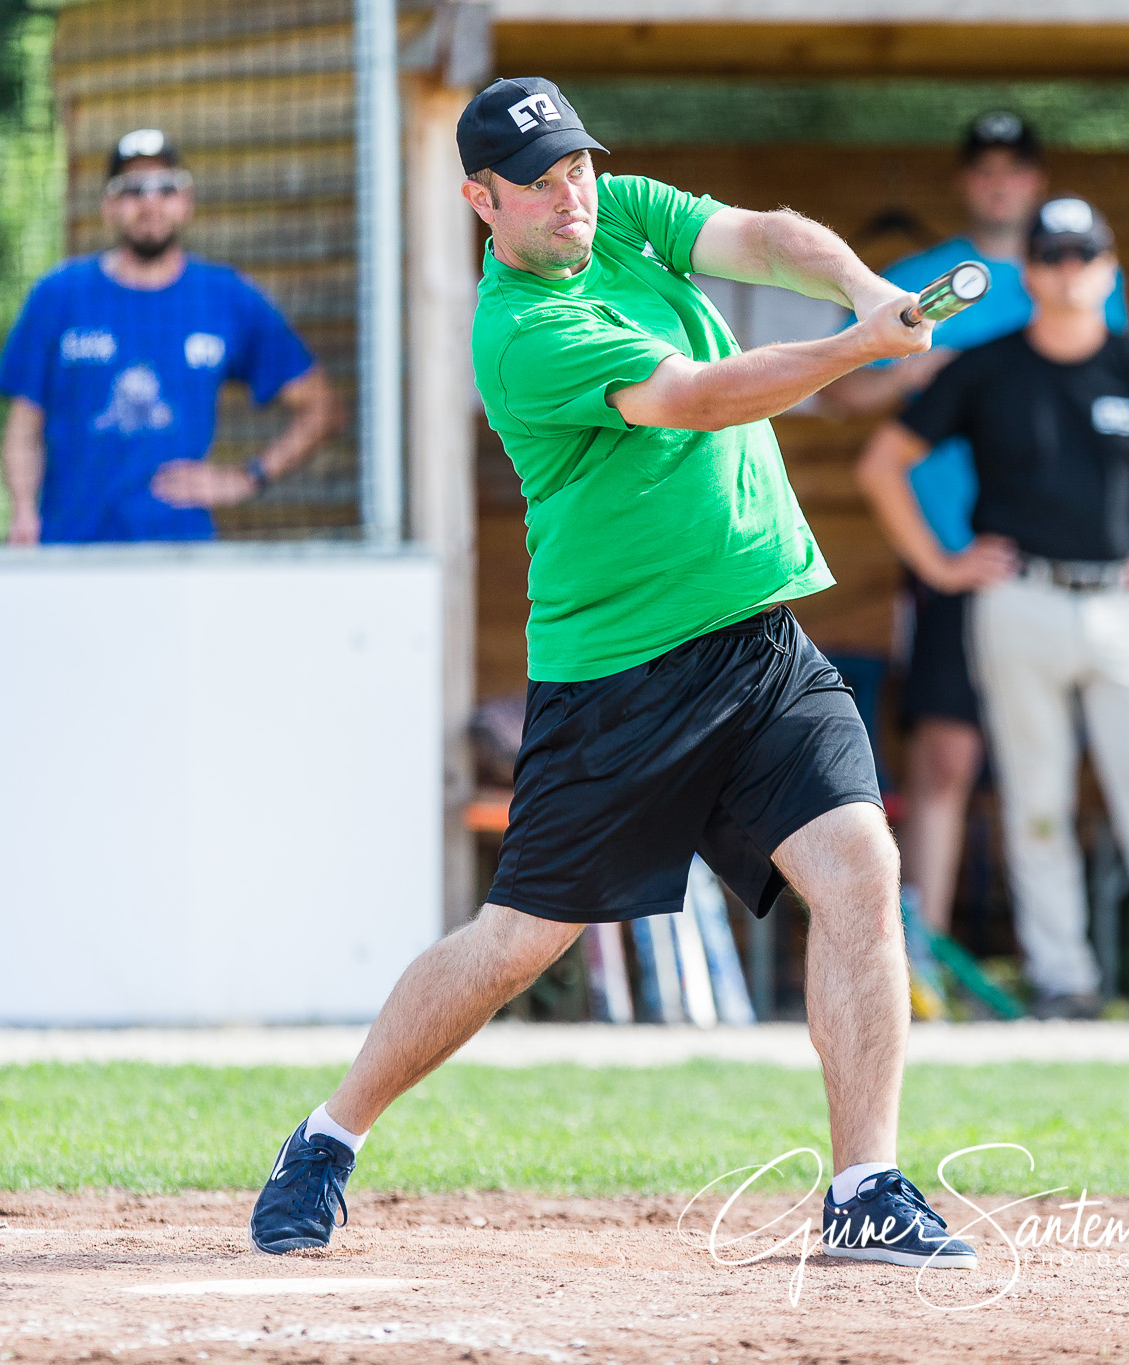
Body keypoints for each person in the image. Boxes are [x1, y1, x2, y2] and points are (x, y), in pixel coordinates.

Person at [250, 78, 976, 1269]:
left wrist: (862, 287)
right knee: (512, 945)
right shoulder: (519, 333)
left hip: (756, 643)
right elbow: (690, 399)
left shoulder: (619, 209)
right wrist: (857, 351)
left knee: (858, 867)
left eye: (575, 165)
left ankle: (864, 1186)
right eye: (535, 182)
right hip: (618, 683)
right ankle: (328, 1137)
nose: (568, 193)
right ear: (481, 200)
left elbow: (766, 234)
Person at [857, 196, 1129, 1021]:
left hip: (1116, 598)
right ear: (1031, 272)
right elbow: (882, 463)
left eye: (1085, 256)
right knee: (1035, 795)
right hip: (1017, 596)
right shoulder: (986, 364)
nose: (1070, 271)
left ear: (1109, 270)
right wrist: (940, 564)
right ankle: (1063, 975)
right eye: (1054, 256)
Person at [823, 113, 1129, 970]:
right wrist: (907, 373)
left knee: (1049, 767)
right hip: (955, 554)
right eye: (986, 170)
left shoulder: (1079, 279)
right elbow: (835, 397)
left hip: (1060, 567)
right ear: (967, 183)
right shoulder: (921, 280)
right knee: (947, 759)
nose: (1002, 183)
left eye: (1017, 169)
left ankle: (1055, 963)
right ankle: (919, 963)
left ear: (1037, 182)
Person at [0, 128, 337, 544]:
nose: (150, 202)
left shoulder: (226, 297)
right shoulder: (59, 295)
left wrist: (247, 478)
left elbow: (321, 406)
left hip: (180, 555)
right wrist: (24, 513)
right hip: (71, 548)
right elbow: (23, 427)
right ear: (109, 207)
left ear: (186, 203)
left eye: (166, 187)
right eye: (133, 189)